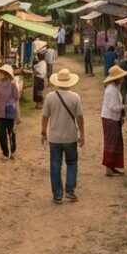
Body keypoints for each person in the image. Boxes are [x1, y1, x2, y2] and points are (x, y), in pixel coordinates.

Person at [42, 68, 85, 204]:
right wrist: (82, 134)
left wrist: (43, 132)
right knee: (72, 163)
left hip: (54, 137)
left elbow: (45, 117)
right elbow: (80, 118)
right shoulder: (75, 97)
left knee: (55, 165)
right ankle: (70, 191)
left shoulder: (50, 97)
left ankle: (57, 195)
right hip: (70, 137)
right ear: (70, 82)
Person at [102, 65, 127, 176]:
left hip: (111, 118)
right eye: (121, 77)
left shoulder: (113, 88)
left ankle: (112, 166)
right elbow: (113, 107)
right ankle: (109, 167)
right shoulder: (112, 90)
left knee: (115, 143)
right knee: (112, 143)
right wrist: (125, 106)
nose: (123, 79)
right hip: (111, 118)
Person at [0, 65, 21, 160]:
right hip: (1, 111)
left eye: (3, 73)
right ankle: (6, 153)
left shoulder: (12, 84)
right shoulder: (0, 84)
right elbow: (15, 96)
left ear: (7, 74)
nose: (1, 74)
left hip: (7, 111)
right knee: (3, 133)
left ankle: (10, 152)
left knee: (9, 132)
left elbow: (16, 96)